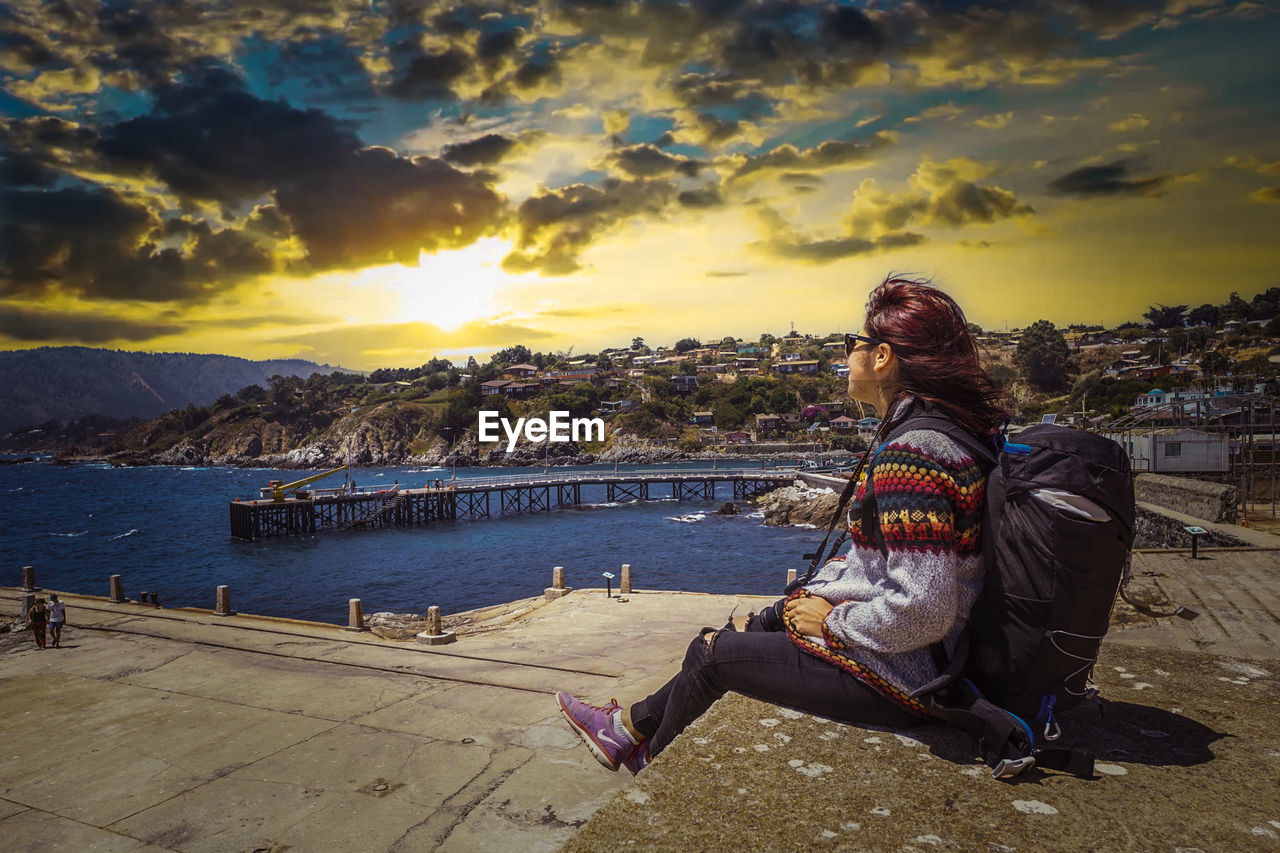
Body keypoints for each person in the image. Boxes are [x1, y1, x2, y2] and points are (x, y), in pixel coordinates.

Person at [556, 276, 1006, 775]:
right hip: (926, 661)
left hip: (906, 675)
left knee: (711, 655)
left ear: (882, 357)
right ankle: (625, 733)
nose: (848, 355)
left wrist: (831, 621)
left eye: (852, 344)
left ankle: (649, 766)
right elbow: (876, 565)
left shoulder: (913, 453)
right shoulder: (942, 434)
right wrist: (784, 611)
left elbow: (924, 608)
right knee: (731, 632)